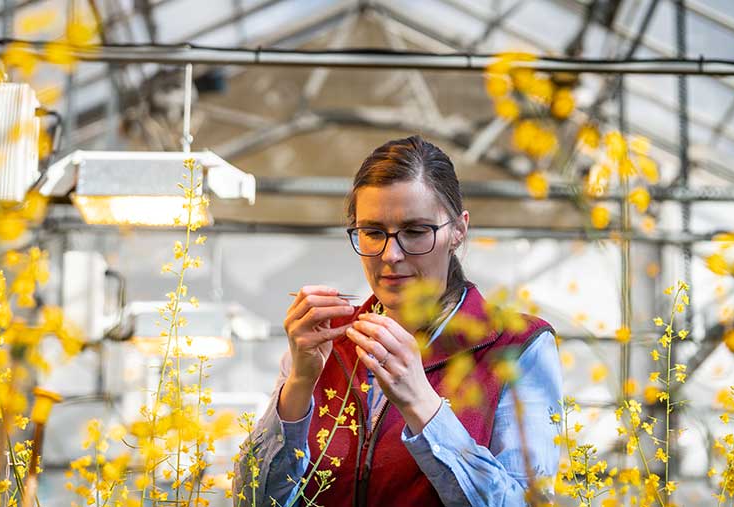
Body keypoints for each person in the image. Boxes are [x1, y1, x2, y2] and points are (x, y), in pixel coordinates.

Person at [234, 136, 562, 506]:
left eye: (415, 231)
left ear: (458, 230)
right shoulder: (325, 343)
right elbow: (252, 502)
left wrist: (422, 404)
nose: (391, 254)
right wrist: (298, 385)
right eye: (373, 232)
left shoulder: (517, 346)